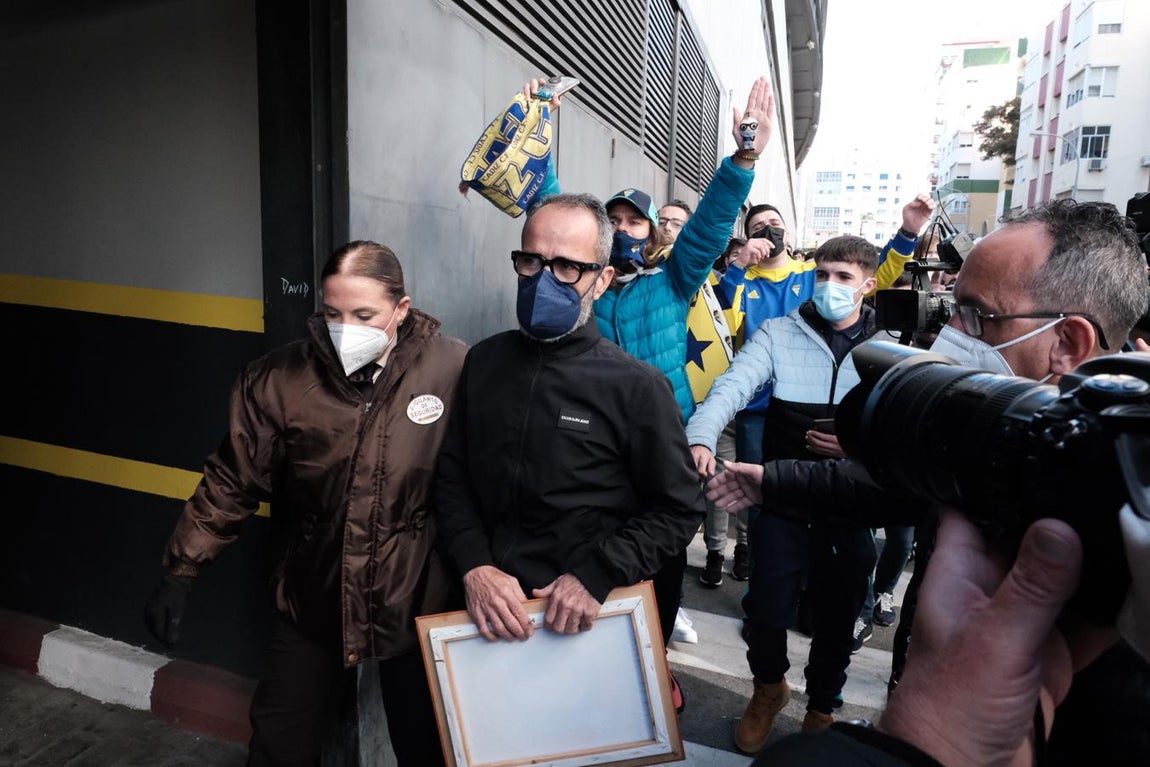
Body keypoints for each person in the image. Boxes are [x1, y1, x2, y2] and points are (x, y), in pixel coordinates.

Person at [710, 198, 1150, 763]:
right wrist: (771, 481)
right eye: (948, 310)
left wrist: (920, 741)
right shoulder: (1000, 439)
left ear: (1068, 344)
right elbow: (880, 486)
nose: (948, 338)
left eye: (974, 315)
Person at [142, 242, 468, 766]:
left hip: (417, 593)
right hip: (315, 587)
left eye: (365, 315)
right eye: (333, 313)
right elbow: (232, 479)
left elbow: (480, 478)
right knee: (280, 740)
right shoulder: (279, 379)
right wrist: (181, 569)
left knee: (431, 743)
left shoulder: (451, 367)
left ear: (401, 310)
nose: (347, 328)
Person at [522, 74, 772, 657]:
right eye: (614, 222)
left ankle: (655, 666)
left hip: (666, 447)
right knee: (592, 562)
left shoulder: (673, 280)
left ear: (653, 229)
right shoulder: (586, 284)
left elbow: (711, 223)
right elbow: (551, 207)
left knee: (657, 566)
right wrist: (539, 123)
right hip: (593, 450)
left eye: (636, 221)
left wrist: (743, 158)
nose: (624, 229)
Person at [432, 193, 705, 705]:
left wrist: (595, 575)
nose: (542, 279)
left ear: (601, 279)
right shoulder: (484, 361)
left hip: (579, 629)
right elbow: (452, 475)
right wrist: (474, 565)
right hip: (480, 614)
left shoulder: (637, 388)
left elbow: (678, 507)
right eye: (531, 261)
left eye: (566, 267)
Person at [686, 235, 885, 749]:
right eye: (821, 273)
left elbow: (905, 435)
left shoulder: (890, 347)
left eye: (842, 277)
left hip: (848, 503)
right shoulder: (778, 331)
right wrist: (701, 436)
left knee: (839, 619)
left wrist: (858, 446)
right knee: (766, 611)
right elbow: (731, 385)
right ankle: (767, 690)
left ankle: (822, 708)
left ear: (867, 285)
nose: (828, 285)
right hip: (779, 497)